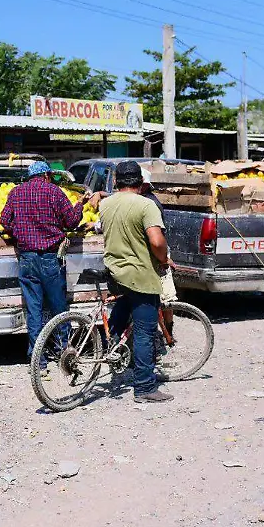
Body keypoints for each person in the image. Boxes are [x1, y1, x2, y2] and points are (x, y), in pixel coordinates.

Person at [99, 161, 174, 403]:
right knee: (144, 332)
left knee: (122, 309)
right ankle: (144, 387)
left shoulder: (106, 204)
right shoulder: (146, 205)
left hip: (114, 273)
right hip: (140, 276)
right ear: (141, 182)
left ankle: (112, 348)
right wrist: (164, 259)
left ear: (115, 182)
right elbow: (157, 241)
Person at [0, 161, 89, 365]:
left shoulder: (16, 193)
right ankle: (64, 352)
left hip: (27, 258)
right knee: (59, 307)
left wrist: (17, 233)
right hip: (50, 258)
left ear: (30, 176)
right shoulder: (55, 192)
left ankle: (38, 360)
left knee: (34, 310)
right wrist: (80, 205)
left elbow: (4, 220)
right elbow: (72, 222)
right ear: (47, 175)